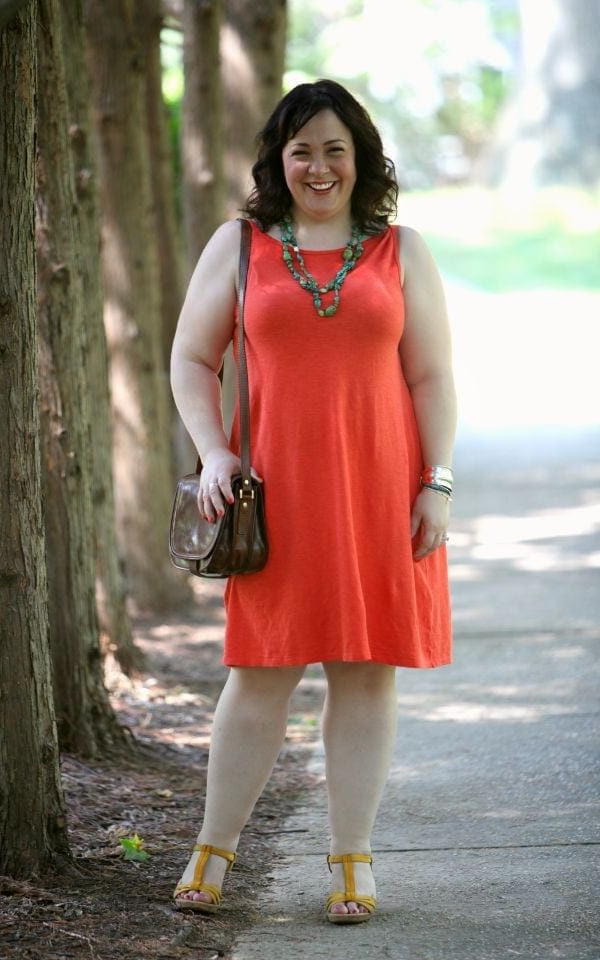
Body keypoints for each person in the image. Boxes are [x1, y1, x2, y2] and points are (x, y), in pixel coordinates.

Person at [170, 79, 456, 924]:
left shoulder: (402, 250)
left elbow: (433, 376)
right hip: (277, 494)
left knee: (365, 676)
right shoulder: (241, 244)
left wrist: (436, 480)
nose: (319, 166)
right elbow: (192, 358)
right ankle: (210, 853)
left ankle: (352, 863)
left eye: (336, 149)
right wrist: (215, 449)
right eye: (302, 151)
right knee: (259, 674)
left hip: (380, 488)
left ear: (361, 158)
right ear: (278, 159)